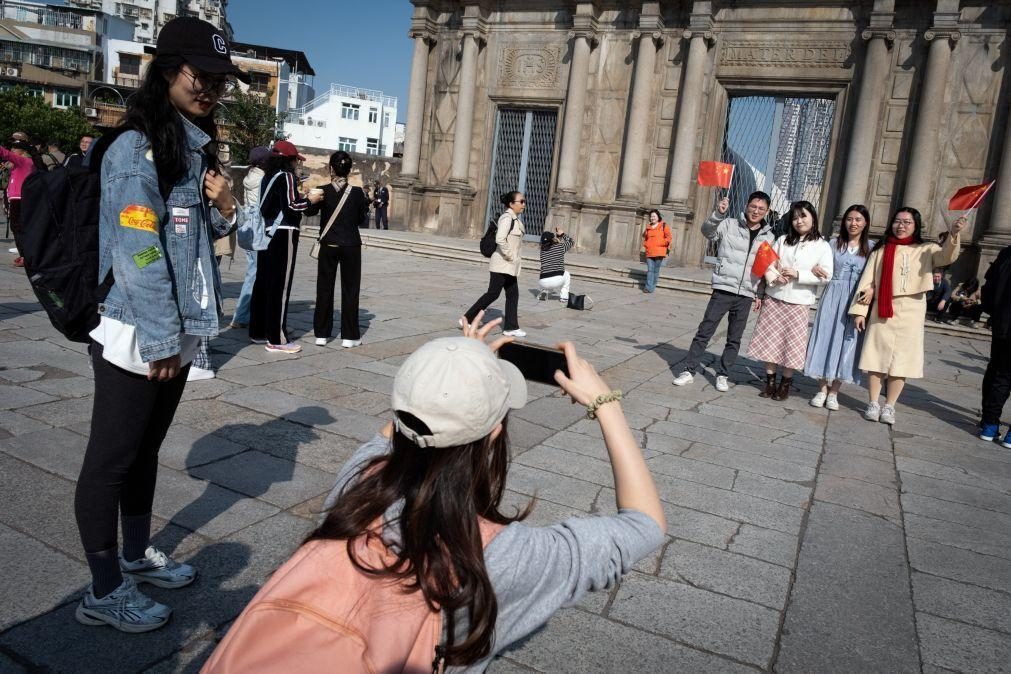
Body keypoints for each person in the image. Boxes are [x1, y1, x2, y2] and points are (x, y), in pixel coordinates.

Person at [202, 313, 665, 671]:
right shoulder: (500, 557)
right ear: (493, 435)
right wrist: (606, 405)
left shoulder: (357, 486)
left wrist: (455, 364)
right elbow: (645, 526)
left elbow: (399, 429)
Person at [73, 16, 245, 633]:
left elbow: (201, 240)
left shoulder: (189, 145)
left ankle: (133, 553)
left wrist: (225, 205)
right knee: (111, 459)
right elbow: (138, 254)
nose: (212, 89)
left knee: (145, 452)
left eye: (221, 81)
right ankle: (102, 589)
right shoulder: (133, 150)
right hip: (136, 330)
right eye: (203, 76)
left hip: (176, 326)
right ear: (169, 69)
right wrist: (162, 339)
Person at [849, 208, 965, 425]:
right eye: (897, 221)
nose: (901, 226)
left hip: (912, 310)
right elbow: (867, 282)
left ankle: (890, 406)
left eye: (907, 222)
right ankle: (873, 402)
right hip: (882, 308)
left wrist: (954, 234)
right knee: (876, 358)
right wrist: (859, 311)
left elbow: (947, 255)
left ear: (916, 225)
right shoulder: (881, 250)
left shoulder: (926, 249)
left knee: (901, 362)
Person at [674, 191, 775, 392]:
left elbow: (765, 268)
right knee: (705, 331)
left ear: (767, 211)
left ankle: (723, 374)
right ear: (746, 205)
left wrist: (760, 294)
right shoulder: (729, 224)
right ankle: (689, 370)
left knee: (734, 338)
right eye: (753, 206)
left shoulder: (769, 237)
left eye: (761, 209)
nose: (756, 211)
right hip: (723, 288)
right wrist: (718, 214)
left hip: (746, 293)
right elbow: (707, 232)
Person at [747, 200, 833, 401]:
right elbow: (768, 263)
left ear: (813, 218)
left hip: (799, 302)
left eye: (803, 216)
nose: (799, 221)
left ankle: (785, 384)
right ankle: (769, 382)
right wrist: (774, 277)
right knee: (770, 341)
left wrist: (799, 274)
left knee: (791, 345)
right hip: (775, 297)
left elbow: (826, 275)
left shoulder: (822, 246)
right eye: (795, 218)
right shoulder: (783, 240)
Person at [248, 140, 322, 354]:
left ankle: (259, 330)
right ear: (288, 160)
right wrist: (311, 200)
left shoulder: (267, 177)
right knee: (280, 287)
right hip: (284, 233)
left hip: (267, 233)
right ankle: (277, 337)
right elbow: (292, 205)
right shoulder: (287, 176)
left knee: (263, 283)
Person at [804, 204, 873, 409]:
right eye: (850, 219)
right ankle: (822, 388)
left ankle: (834, 391)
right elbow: (816, 261)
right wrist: (815, 267)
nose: (853, 223)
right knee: (824, 338)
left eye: (858, 220)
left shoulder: (870, 247)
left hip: (856, 300)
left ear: (865, 223)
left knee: (847, 343)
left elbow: (873, 278)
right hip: (832, 297)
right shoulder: (833, 243)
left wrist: (867, 299)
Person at [307, 150, 369, 348]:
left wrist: (310, 198)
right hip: (351, 245)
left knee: (324, 288)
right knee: (350, 290)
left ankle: (322, 334)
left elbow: (309, 211)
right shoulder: (358, 193)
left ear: (331, 169)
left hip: (329, 244)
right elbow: (361, 219)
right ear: (349, 170)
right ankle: (349, 336)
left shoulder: (322, 190)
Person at [463, 191, 527, 337]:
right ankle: (467, 318)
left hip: (508, 265)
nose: (524, 204)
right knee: (493, 293)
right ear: (511, 204)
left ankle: (511, 327)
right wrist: (510, 255)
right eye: (521, 202)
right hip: (502, 264)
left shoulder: (515, 219)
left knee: (512, 294)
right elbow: (500, 239)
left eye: (524, 201)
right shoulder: (507, 218)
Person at [230, 146, 270, 329]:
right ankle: (241, 315)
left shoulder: (248, 176)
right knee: (254, 273)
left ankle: (246, 314)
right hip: (257, 230)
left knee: (253, 271)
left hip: (248, 228)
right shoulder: (262, 178)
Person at [979, 244, 1011, 446]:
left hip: (1003, 325)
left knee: (998, 373)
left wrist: (995, 314)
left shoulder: (1007, 253)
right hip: (1003, 324)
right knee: (1002, 374)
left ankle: (989, 424)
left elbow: (988, 286)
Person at [0, 140, 39, 267]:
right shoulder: (25, 162)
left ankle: (25, 256)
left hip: (19, 198)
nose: (12, 150)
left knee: (18, 228)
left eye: (15, 148)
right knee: (19, 228)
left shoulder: (24, 161)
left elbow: (5, 154)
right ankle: (25, 255)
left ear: (23, 151)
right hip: (18, 198)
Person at [538, 226, 574, 302]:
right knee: (567, 274)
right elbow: (571, 242)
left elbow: (551, 247)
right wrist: (562, 234)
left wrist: (557, 239)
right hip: (557, 280)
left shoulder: (542, 251)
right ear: (552, 240)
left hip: (543, 281)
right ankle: (564, 297)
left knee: (547, 271)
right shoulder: (560, 247)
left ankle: (544, 292)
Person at [642, 209, 672, 294]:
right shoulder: (648, 227)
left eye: (654, 216)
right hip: (650, 252)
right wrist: (646, 244)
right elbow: (645, 237)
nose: (652, 218)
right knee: (650, 270)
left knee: (655, 270)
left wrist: (662, 243)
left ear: (658, 217)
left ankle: (652, 287)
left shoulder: (663, 226)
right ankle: (648, 288)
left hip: (659, 252)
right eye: (651, 216)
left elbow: (669, 237)